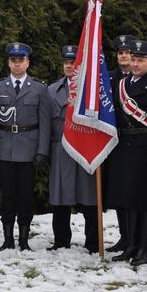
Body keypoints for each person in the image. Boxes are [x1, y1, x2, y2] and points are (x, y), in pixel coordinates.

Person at [107, 40, 147, 266]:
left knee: (146, 202)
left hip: (145, 148)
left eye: (141, 60)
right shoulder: (122, 83)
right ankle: (131, 245)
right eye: (133, 59)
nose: (135, 63)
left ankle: (144, 248)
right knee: (129, 200)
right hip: (124, 147)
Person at [0, 42, 52, 251]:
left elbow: (45, 122)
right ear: (8, 63)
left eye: (21, 60)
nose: (17, 64)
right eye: (13, 61)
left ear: (28, 62)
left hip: (29, 148)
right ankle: (8, 238)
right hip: (5, 146)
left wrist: (42, 150)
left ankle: (24, 239)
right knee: (7, 195)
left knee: (26, 196)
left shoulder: (39, 88)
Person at [46, 45, 98, 253]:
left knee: (89, 197)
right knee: (60, 198)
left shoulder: (92, 91)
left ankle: (93, 242)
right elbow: (45, 123)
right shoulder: (51, 90)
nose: (69, 66)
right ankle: (61, 240)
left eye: (73, 62)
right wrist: (44, 151)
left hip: (86, 148)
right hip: (60, 148)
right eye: (66, 62)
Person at [104, 34, 136, 253]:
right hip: (116, 141)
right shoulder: (109, 78)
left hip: (137, 141)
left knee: (141, 194)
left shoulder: (141, 76)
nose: (124, 56)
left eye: (128, 53)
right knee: (120, 192)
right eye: (121, 53)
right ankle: (125, 237)